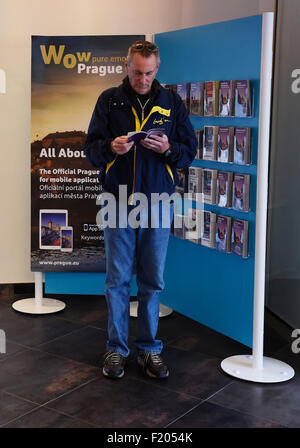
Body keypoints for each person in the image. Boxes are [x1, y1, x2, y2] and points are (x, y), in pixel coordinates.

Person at [85, 40, 197, 380]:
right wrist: (110, 147)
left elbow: (188, 151)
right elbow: (91, 149)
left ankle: (149, 349)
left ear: (157, 68)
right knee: (117, 280)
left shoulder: (171, 101)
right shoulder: (109, 100)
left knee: (153, 280)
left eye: (149, 73)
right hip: (117, 200)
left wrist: (168, 148)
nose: (143, 79)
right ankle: (116, 350)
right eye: (137, 72)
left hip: (158, 203)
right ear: (126, 65)